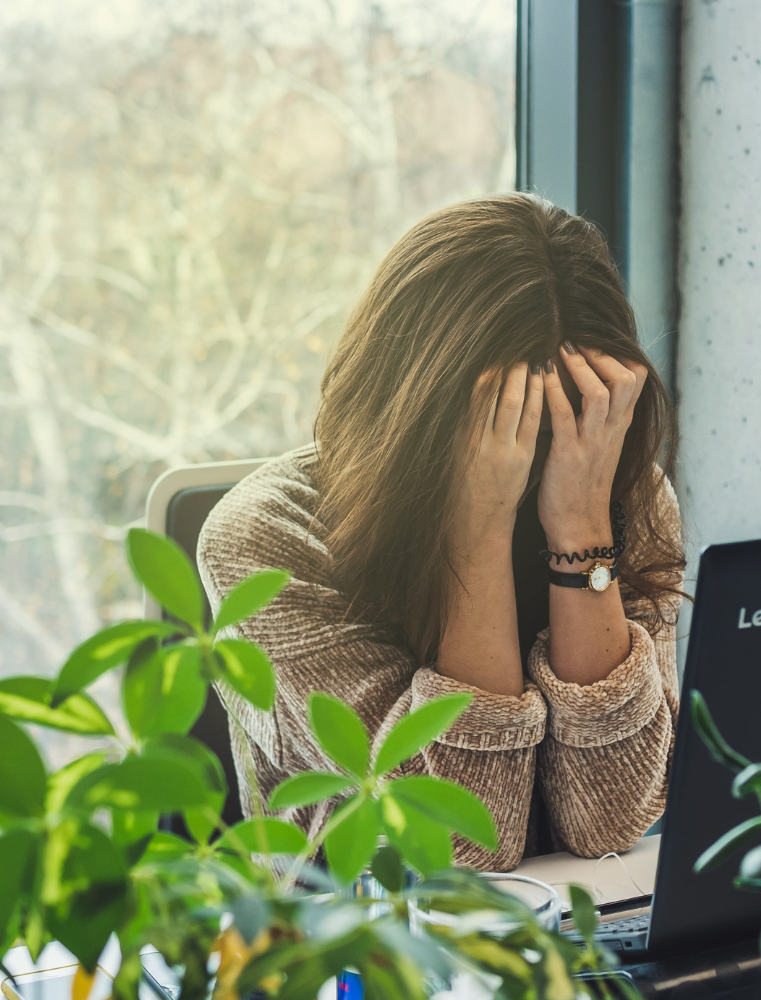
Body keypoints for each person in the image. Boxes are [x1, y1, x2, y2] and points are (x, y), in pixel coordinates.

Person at [197, 192, 686, 870]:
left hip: (566, 944)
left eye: (565, 420)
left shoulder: (610, 493)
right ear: (412, 406)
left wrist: (581, 530)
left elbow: (614, 819)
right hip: (365, 954)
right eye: (502, 422)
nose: (541, 455)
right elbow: (457, 848)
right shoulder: (268, 538)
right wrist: (478, 532)